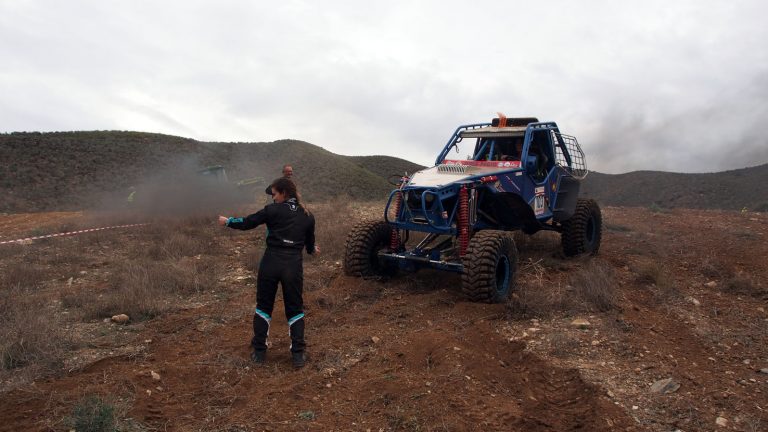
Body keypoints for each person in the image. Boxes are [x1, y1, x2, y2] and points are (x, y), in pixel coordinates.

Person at [219, 178, 318, 368]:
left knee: (264, 307)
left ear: (283, 193)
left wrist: (228, 221)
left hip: (271, 263)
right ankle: (298, 355)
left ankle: (259, 352)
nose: (272, 198)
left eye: (273, 194)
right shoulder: (308, 215)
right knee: (295, 309)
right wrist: (313, 250)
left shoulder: (272, 210)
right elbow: (310, 244)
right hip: (293, 266)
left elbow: (248, 222)